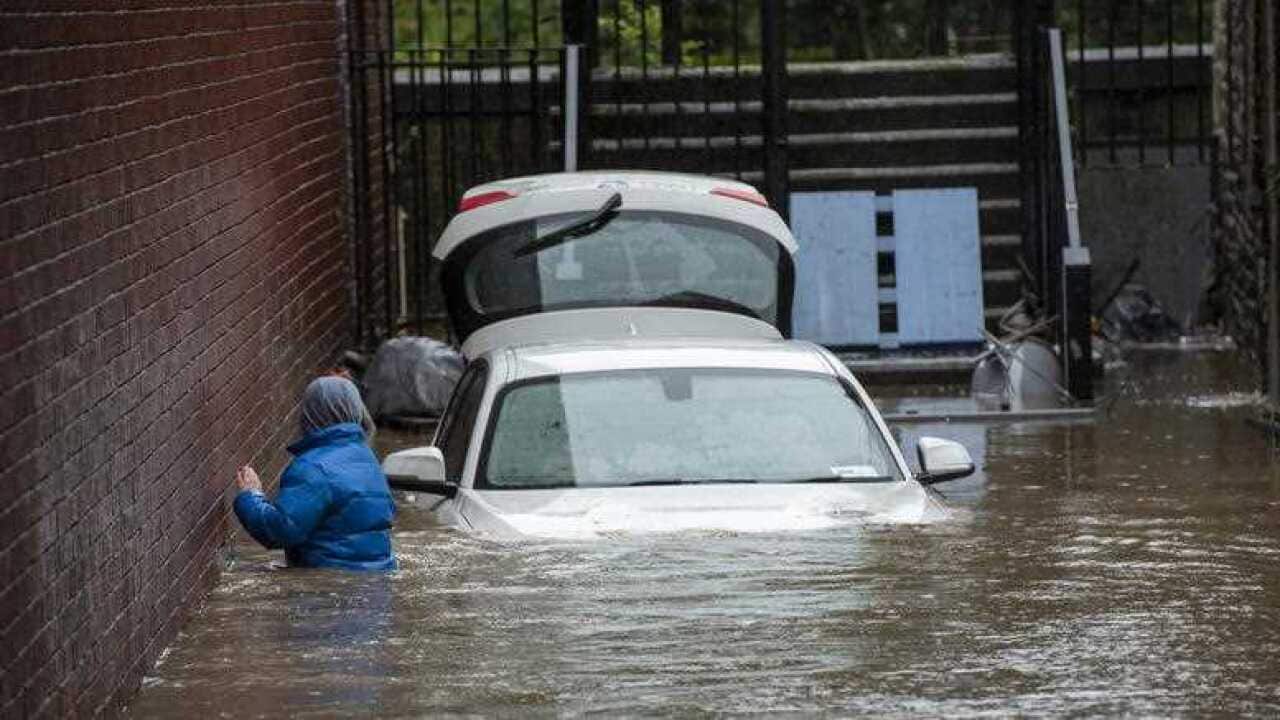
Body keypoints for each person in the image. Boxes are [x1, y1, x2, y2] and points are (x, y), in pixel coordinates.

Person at [233, 375, 397, 571]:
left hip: (330, 590)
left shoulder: (313, 468)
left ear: (310, 413)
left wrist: (251, 497)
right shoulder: (368, 459)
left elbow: (281, 530)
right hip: (378, 583)